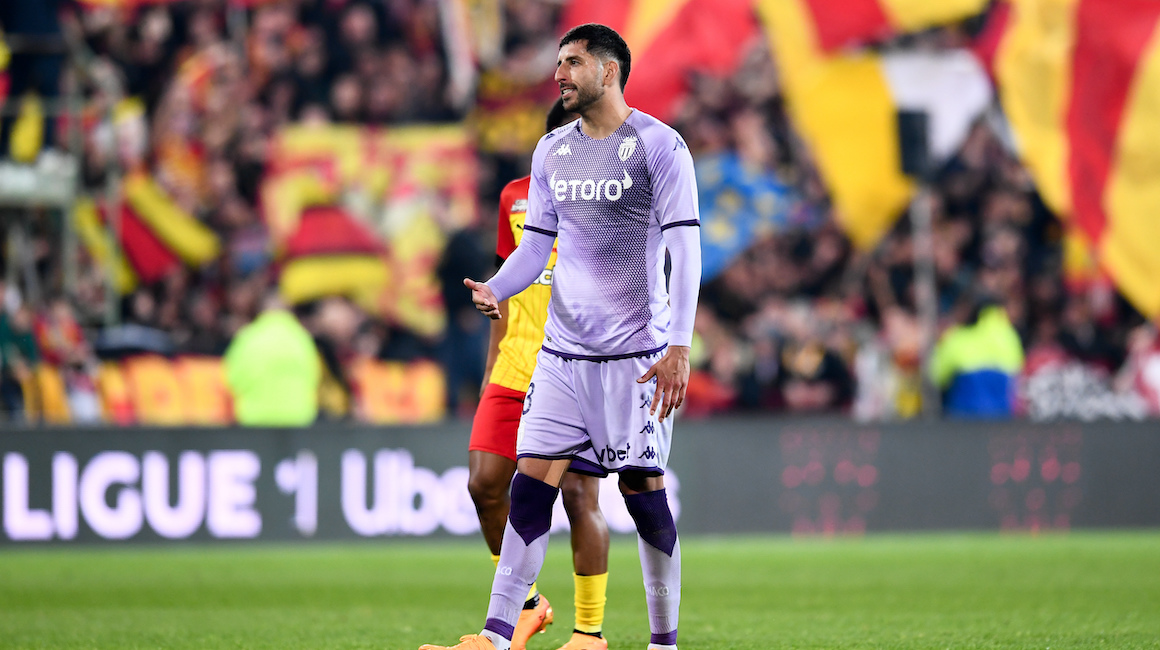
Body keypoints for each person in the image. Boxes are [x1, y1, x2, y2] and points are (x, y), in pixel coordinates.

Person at [421, 23, 701, 650]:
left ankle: (663, 643)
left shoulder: (661, 146)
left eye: (573, 62)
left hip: (635, 358)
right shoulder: (551, 150)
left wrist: (679, 345)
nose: (559, 74)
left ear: (609, 70)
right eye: (559, 63)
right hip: (561, 356)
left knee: (643, 495)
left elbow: (685, 251)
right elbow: (534, 248)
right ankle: (497, 636)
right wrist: (498, 286)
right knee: (527, 489)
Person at [467, 99, 611, 650]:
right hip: (515, 364)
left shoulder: (613, 201)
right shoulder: (515, 196)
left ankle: (589, 633)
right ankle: (527, 607)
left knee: (578, 495)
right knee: (485, 485)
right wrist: (491, 364)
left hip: (578, 367)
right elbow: (507, 280)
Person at [223, 290, 320, 426]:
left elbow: (232, 378)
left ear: (261, 310)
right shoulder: (302, 338)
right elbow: (314, 376)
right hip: (297, 418)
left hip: (256, 418)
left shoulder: (248, 337)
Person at [929, 296, 1024, 418]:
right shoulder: (1010, 337)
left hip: (963, 415)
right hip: (1001, 416)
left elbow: (937, 375)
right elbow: (1018, 372)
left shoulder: (958, 337)